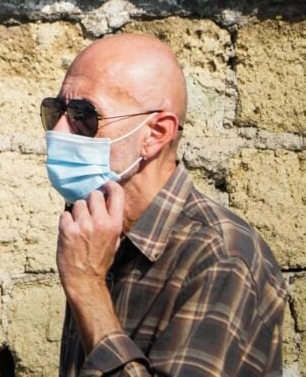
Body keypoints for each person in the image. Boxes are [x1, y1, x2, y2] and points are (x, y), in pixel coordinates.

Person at [42, 33, 287, 376]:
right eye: (57, 111)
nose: (60, 131)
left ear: (155, 133)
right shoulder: (100, 236)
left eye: (84, 114)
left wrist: (87, 287)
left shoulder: (221, 256)